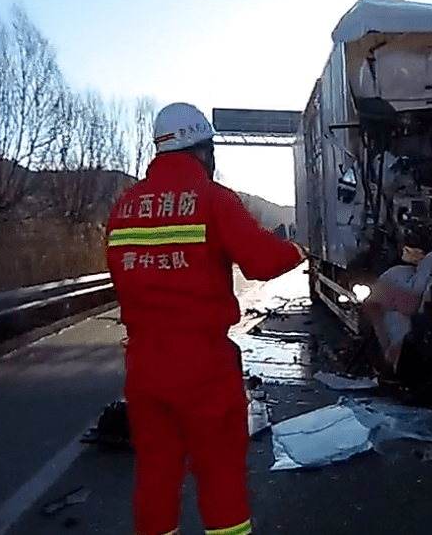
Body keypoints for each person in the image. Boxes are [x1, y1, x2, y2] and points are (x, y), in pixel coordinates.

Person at [106, 102, 305, 535]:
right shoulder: (213, 200)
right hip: (203, 365)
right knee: (219, 475)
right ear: (202, 148)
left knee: (156, 474)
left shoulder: (124, 208)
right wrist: (297, 250)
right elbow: (260, 261)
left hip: (144, 364)